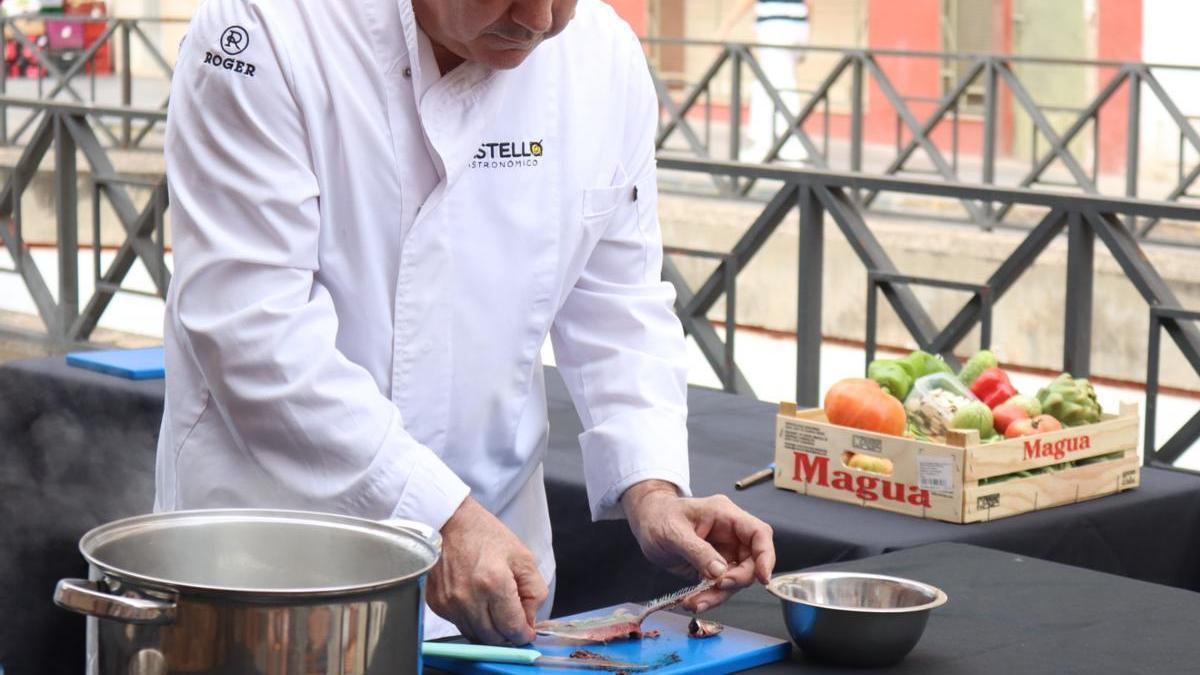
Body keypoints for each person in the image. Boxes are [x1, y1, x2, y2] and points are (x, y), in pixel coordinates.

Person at [158, 0, 776, 646]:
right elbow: (252, 329)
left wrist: (653, 487)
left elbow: (620, 300)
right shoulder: (265, 30)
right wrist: (440, 517)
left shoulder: (602, 57)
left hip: (499, 573)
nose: (539, 19)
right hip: (272, 561)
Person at [718, 0, 811, 161]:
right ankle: (788, 141)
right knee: (784, 82)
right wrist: (807, 35)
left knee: (767, 84)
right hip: (797, 25)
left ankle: (771, 143)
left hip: (775, 26)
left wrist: (724, 28)